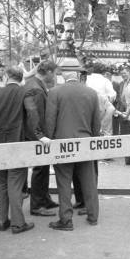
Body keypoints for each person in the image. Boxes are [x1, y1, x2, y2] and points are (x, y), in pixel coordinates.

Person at [46, 71, 101, 230]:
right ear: (78, 78)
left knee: (64, 182)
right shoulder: (91, 93)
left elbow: (50, 119)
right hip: (85, 141)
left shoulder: (55, 92)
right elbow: (96, 121)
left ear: (64, 78)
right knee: (89, 181)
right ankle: (93, 216)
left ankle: (66, 220)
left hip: (62, 142)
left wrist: (49, 140)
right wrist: (93, 139)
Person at [0, 66, 35, 235]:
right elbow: (32, 113)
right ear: (20, 78)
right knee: (15, 183)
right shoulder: (25, 93)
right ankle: (18, 224)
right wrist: (37, 136)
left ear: (6, 76)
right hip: (17, 144)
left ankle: (2, 220)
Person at [23, 60, 59, 217]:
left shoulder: (34, 83)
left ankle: (44, 199)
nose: (56, 76)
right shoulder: (36, 88)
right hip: (36, 137)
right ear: (49, 72)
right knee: (39, 169)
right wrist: (40, 135)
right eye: (55, 72)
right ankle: (37, 205)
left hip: (36, 135)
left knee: (43, 169)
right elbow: (33, 113)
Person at [85, 63, 116, 136]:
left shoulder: (86, 79)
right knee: (105, 133)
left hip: (89, 108)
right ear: (103, 72)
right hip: (104, 109)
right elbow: (112, 95)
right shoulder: (105, 80)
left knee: (91, 130)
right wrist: (106, 101)